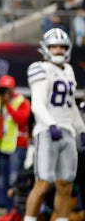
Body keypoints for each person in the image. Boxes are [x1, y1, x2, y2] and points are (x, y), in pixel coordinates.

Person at [24, 28, 85, 221]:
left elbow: (71, 104)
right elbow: (37, 103)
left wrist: (81, 129)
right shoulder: (39, 68)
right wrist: (51, 124)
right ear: (45, 48)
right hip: (47, 131)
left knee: (65, 184)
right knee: (43, 184)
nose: (58, 50)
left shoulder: (68, 70)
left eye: (62, 46)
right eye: (54, 46)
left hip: (67, 131)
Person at [0, 74, 30, 211]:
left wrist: (8, 104)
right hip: (1, 145)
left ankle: (16, 213)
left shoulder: (21, 101)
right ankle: (9, 212)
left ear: (13, 89)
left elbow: (21, 119)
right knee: (3, 181)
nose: (5, 92)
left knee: (14, 181)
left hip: (17, 146)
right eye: (3, 88)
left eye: (8, 88)